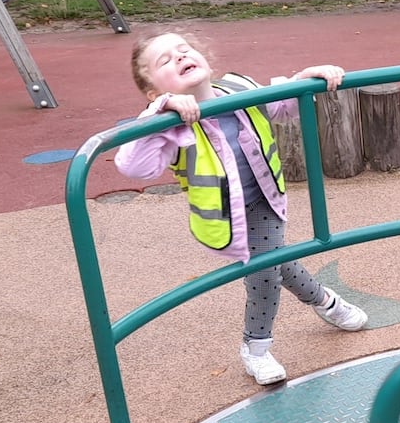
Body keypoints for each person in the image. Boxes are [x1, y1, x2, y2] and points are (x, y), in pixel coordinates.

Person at [115, 31, 368, 385]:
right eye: (165, 61)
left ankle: (270, 338)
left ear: (204, 58)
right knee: (271, 264)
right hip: (226, 217)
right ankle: (304, 316)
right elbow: (133, 166)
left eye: (184, 50)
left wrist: (308, 77)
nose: (180, 57)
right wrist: (159, 113)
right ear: (154, 91)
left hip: (265, 198)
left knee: (267, 266)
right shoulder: (169, 125)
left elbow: (285, 104)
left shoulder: (239, 89)